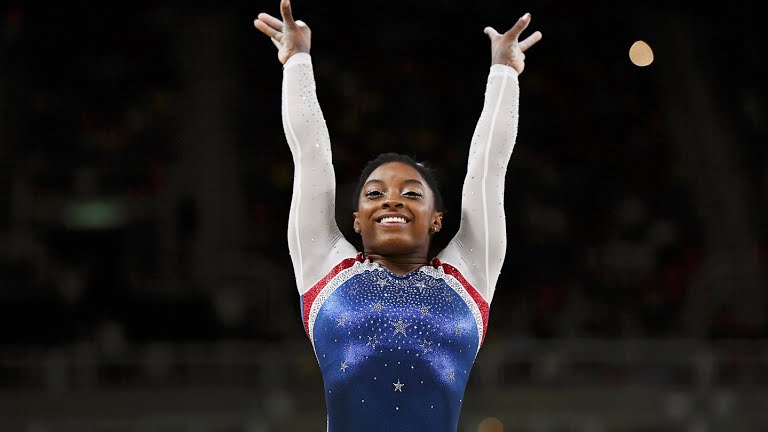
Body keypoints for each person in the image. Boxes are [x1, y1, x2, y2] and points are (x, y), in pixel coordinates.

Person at [254, 1, 541, 430]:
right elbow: (309, 157)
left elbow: (489, 169)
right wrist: (297, 60)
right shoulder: (324, 269)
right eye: (374, 193)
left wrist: (504, 73)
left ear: (437, 219)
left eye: (411, 193)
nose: (392, 201)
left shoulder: (470, 276)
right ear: (355, 219)